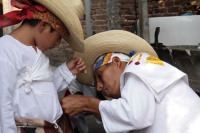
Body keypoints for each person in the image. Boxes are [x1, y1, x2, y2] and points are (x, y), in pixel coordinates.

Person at [61, 30, 200, 133]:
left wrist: (87, 103)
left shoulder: (136, 67)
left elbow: (135, 116)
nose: (98, 87)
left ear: (116, 62)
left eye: (100, 75)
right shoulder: (139, 73)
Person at [0, 0, 86, 133]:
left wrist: (65, 71)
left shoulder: (38, 53)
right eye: (58, 37)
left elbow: (43, 91)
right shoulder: (6, 50)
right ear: (43, 25)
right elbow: (3, 103)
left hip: (54, 127)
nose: (58, 43)